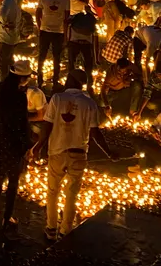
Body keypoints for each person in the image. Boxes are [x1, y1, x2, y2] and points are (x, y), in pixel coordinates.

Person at [33, 69, 114, 241]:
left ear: (71, 80)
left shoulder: (57, 98)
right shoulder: (90, 103)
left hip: (57, 152)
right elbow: (95, 133)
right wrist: (109, 152)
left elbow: (46, 126)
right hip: (78, 153)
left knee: (52, 192)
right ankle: (65, 229)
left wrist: (38, 146)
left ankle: (51, 228)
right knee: (71, 193)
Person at [0, 61, 34, 235]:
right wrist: (28, 144)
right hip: (13, 141)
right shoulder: (19, 95)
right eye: (28, 77)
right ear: (22, 77)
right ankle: (7, 217)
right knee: (13, 181)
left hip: (0, 137)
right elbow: (22, 122)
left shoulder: (1, 88)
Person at [36, 0, 70, 90]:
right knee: (57, 57)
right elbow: (66, 19)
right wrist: (66, 36)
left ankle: (39, 79)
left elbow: (38, 14)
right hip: (58, 31)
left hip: (45, 30)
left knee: (42, 55)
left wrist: (39, 26)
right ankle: (55, 79)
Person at [0, 0, 21, 79]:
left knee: (2, 64)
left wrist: (3, 23)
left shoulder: (6, 4)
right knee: (9, 61)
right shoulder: (13, 3)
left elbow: (2, 15)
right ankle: (12, 80)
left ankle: (4, 82)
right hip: (12, 38)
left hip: (5, 38)